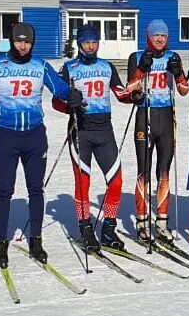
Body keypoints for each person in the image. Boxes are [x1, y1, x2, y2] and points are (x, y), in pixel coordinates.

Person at [0, 22, 82, 268]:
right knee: (5, 190)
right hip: (7, 136)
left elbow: (59, 86)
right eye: (19, 41)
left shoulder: (40, 65)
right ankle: (1, 241)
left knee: (36, 189)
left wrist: (70, 95)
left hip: (34, 136)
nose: (23, 45)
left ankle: (36, 239)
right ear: (11, 40)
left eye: (27, 42)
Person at [55, 24, 134, 251]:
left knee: (116, 181)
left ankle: (109, 228)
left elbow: (121, 93)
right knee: (83, 183)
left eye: (94, 41)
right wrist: (70, 103)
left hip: (104, 131)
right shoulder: (69, 68)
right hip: (81, 130)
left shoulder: (107, 66)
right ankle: (86, 229)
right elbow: (56, 101)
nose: (91, 46)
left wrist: (135, 95)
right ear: (79, 43)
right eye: (86, 42)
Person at [125, 19, 189, 243]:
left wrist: (179, 74)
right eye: (156, 35)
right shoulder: (137, 57)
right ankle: (142, 221)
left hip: (165, 117)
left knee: (163, 171)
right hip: (145, 116)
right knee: (143, 170)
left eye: (163, 35)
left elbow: (184, 91)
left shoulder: (173, 57)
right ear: (148, 37)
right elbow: (130, 92)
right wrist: (141, 69)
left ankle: (161, 222)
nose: (160, 39)